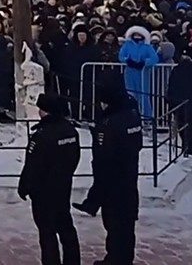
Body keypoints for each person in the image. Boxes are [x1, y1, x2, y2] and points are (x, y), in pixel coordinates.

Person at [74, 82, 142, 265]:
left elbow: (105, 156)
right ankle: (124, 259)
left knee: (115, 225)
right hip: (129, 181)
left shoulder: (110, 123)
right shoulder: (132, 116)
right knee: (126, 227)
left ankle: (115, 260)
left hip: (113, 184)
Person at [19, 93, 82, 265]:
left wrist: (25, 186)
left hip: (43, 192)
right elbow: (75, 158)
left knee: (47, 233)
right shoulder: (70, 131)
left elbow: (33, 165)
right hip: (63, 187)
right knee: (66, 228)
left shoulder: (42, 135)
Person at [165, 48, 192, 157]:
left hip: (181, 106)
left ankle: (188, 150)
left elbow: (171, 89)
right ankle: (191, 151)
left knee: (185, 130)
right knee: (191, 130)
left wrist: (171, 104)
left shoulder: (177, 70)